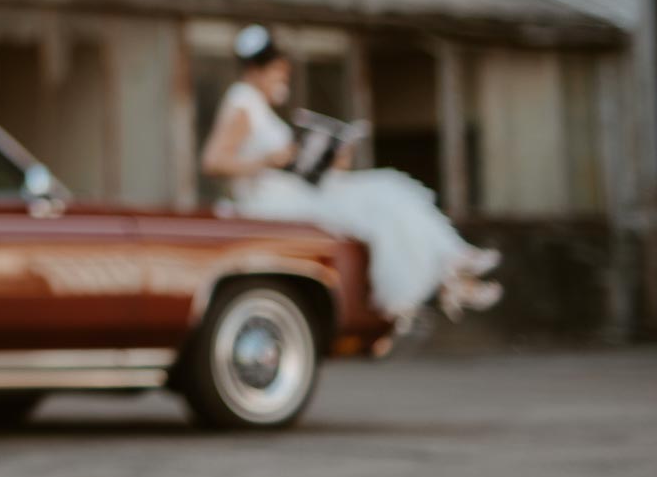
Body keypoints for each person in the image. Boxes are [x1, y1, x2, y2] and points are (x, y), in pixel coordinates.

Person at [200, 25, 500, 330]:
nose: (284, 80)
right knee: (383, 194)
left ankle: (450, 266)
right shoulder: (242, 101)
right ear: (256, 70)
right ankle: (448, 271)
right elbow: (213, 161)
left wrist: (331, 157)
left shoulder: (259, 107)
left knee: (389, 192)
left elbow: (294, 166)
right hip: (272, 203)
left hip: (295, 191)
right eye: (280, 73)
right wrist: (267, 159)